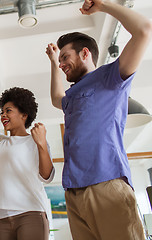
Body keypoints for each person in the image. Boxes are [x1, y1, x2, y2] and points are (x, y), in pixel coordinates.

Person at [45, 0, 152, 239]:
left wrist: (103, 6)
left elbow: (144, 29)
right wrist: (53, 63)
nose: (62, 64)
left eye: (65, 57)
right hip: (74, 192)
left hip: (106, 183)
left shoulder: (110, 77)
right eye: (60, 60)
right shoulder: (71, 95)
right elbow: (56, 98)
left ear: (85, 53)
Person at [0, 87, 55, 240]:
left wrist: (41, 144)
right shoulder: (2, 142)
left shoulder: (35, 140)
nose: (3, 115)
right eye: (2, 112)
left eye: (8, 111)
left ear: (24, 115)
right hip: (2, 217)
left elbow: (47, 176)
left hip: (30, 213)